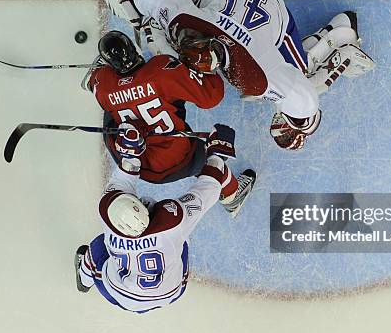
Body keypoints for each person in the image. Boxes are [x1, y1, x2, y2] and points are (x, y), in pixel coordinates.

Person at [99, 0, 375, 151]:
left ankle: (340, 32)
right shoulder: (248, 78)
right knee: (297, 68)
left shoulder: (254, 79)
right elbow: (163, 8)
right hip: (242, 3)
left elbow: (300, 94)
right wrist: (138, 10)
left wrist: (140, 12)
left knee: (295, 72)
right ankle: (339, 32)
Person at [73, 123, 256, 313]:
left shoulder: (107, 211)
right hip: (169, 291)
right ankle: (233, 195)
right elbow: (209, 187)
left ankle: (84, 278)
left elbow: (124, 177)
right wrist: (218, 154)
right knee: (179, 239)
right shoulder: (172, 221)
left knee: (98, 248)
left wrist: (130, 152)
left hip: (124, 293)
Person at [85, 30, 225, 184]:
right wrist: (202, 66)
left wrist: (96, 77)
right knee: (210, 162)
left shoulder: (103, 83)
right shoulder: (161, 68)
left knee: (109, 108)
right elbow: (210, 98)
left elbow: (98, 83)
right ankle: (230, 192)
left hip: (141, 167)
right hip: (182, 159)